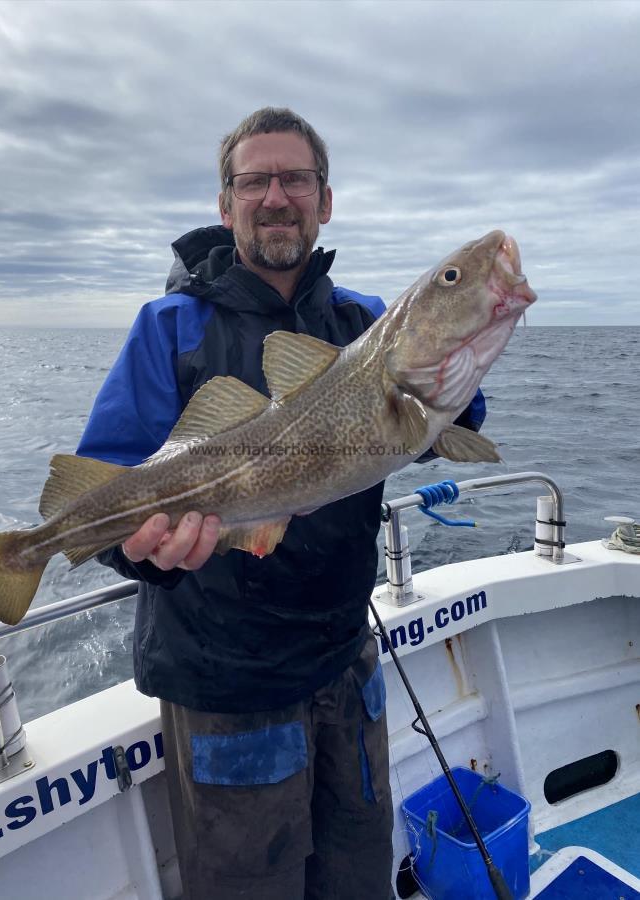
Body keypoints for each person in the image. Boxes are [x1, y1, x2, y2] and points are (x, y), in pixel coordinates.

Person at [77, 107, 486, 900]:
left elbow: (439, 427)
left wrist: (466, 355)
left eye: (294, 179)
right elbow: (106, 481)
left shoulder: (363, 322)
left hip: (344, 655)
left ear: (324, 200)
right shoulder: (169, 328)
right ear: (225, 204)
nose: (275, 196)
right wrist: (140, 550)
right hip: (223, 679)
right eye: (253, 180)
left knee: (358, 869)